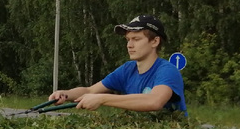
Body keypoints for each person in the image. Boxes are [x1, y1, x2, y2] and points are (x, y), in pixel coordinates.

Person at [49, 15, 187, 115]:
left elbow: (155, 101)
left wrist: (102, 99)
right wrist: (65, 94)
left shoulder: (167, 70)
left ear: (155, 41)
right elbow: (90, 91)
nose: (129, 45)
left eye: (136, 39)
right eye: (127, 40)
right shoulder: (128, 69)